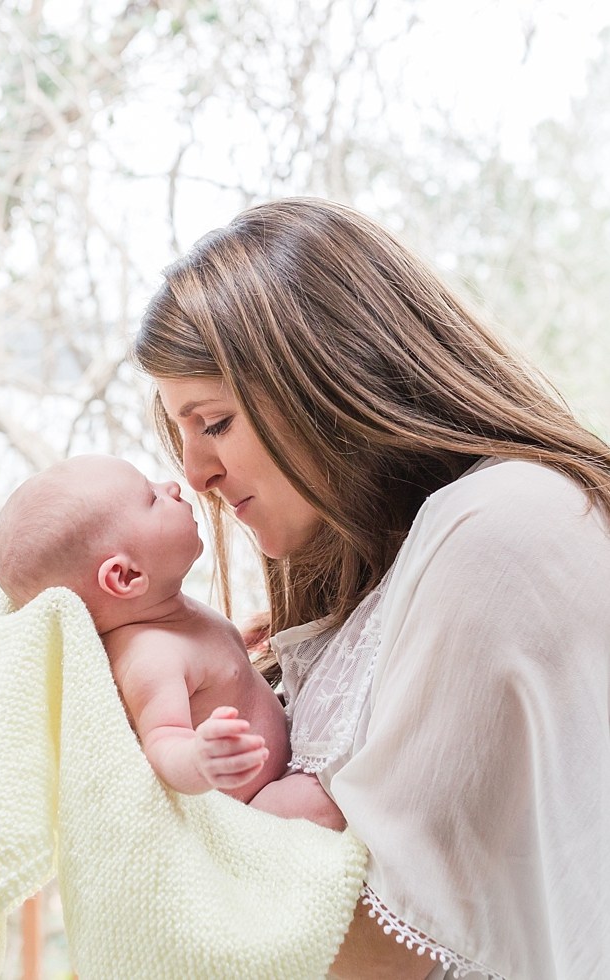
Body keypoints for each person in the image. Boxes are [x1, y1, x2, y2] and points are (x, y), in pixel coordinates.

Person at [134, 197, 610, 980]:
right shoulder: (404, 571)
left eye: (213, 423)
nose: (194, 475)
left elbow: (382, 942)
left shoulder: (500, 527)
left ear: (330, 376)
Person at [0, 454, 298, 806]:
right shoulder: (150, 656)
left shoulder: (177, 614)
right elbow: (164, 742)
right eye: (152, 497)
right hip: (254, 804)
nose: (173, 487)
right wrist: (199, 759)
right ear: (126, 577)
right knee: (321, 800)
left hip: (276, 764)